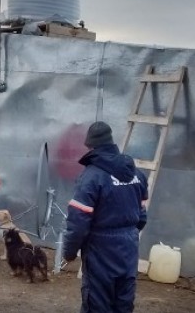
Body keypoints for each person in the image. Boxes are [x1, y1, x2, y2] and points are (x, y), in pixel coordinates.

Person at [63, 121, 148, 313]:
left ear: (91, 146)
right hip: (128, 248)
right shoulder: (137, 174)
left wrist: (69, 252)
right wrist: (127, 234)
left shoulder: (92, 177)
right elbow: (142, 216)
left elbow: (78, 222)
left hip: (101, 249)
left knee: (97, 303)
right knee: (123, 302)